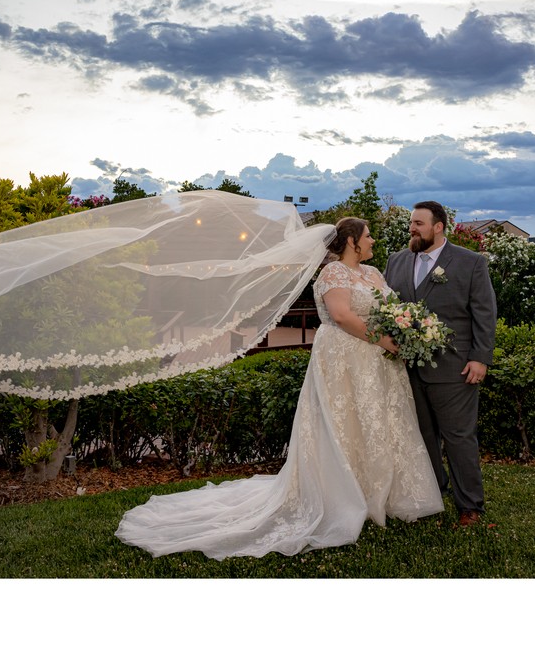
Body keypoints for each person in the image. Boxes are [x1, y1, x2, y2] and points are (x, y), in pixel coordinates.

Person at [115, 217, 443, 559]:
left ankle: (381, 492)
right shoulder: (333, 274)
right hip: (344, 361)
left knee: (376, 425)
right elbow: (342, 316)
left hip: (376, 363)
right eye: (368, 235)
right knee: (343, 426)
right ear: (351, 242)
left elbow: (387, 309)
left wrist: (405, 330)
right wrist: (385, 340)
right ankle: (343, 495)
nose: (373, 240)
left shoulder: (373, 274)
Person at [384, 201, 497, 528]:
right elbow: (389, 307)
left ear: (439, 227)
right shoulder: (397, 261)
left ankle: (469, 506)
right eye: (411, 223)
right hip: (406, 368)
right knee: (421, 437)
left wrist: (480, 357)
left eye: (418, 223)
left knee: (459, 439)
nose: (412, 229)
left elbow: (485, 314)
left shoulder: (470, 262)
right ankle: (433, 496)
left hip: (454, 369)